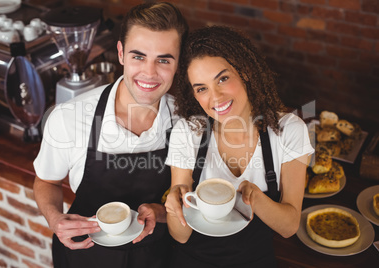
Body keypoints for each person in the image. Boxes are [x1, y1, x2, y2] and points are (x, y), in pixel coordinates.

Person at [33, 2, 188, 268]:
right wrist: (54, 218)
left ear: (178, 63)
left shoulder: (186, 121)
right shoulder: (70, 117)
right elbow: (47, 181)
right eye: (138, 56)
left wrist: (162, 213)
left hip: (158, 257)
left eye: (163, 60)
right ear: (121, 53)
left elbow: (188, 199)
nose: (149, 73)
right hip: (85, 255)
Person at [165, 25, 314, 267]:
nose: (215, 98)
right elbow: (180, 236)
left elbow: (288, 226)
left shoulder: (288, 130)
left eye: (222, 79)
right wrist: (173, 208)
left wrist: (255, 196)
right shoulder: (189, 132)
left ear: (245, 72)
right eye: (201, 89)